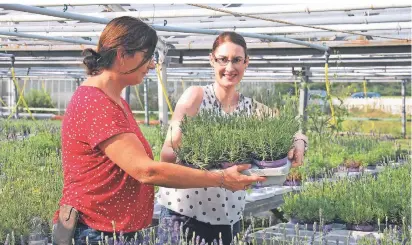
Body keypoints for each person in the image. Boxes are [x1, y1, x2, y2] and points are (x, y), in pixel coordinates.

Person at [51, 17, 265, 245]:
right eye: (148, 57)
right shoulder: (96, 103)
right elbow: (147, 171)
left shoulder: (115, 101)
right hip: (97, 232)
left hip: (114, 231)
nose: (152, 65)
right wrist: (220, 178)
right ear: (123, 55)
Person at [158, 31, 308, 245]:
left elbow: (292, 129)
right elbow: (167, 156)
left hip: (229, 220)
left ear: (246, 62)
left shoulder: (251, 108)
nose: (230, 68)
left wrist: (299, 140)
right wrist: (207, 155)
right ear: (212, 60)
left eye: (237, 60)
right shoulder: (196, 96)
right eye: (223, 59)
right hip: (185, 218)